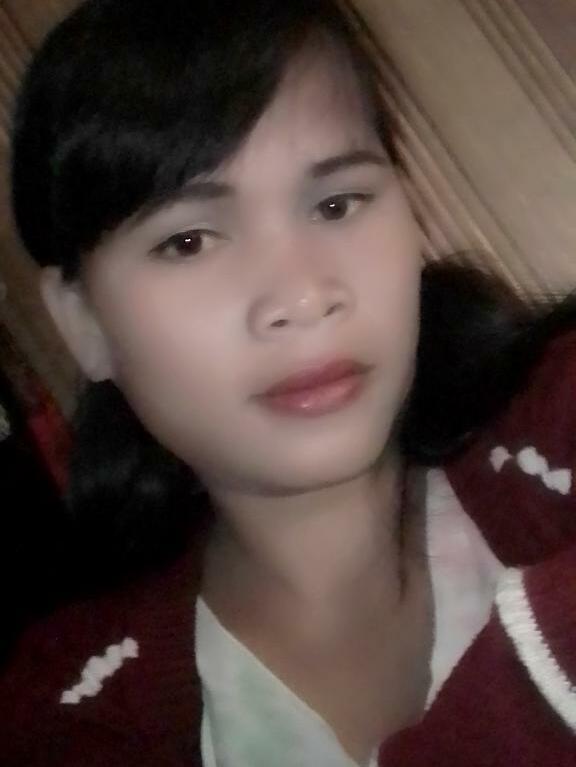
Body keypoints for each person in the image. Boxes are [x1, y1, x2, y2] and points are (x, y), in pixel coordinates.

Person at [1, 0, 576, 764]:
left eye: (337, 204)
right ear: (84, 324)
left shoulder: (560, 419)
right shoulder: (67, 718)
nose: (303, 295)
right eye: (188, 240)